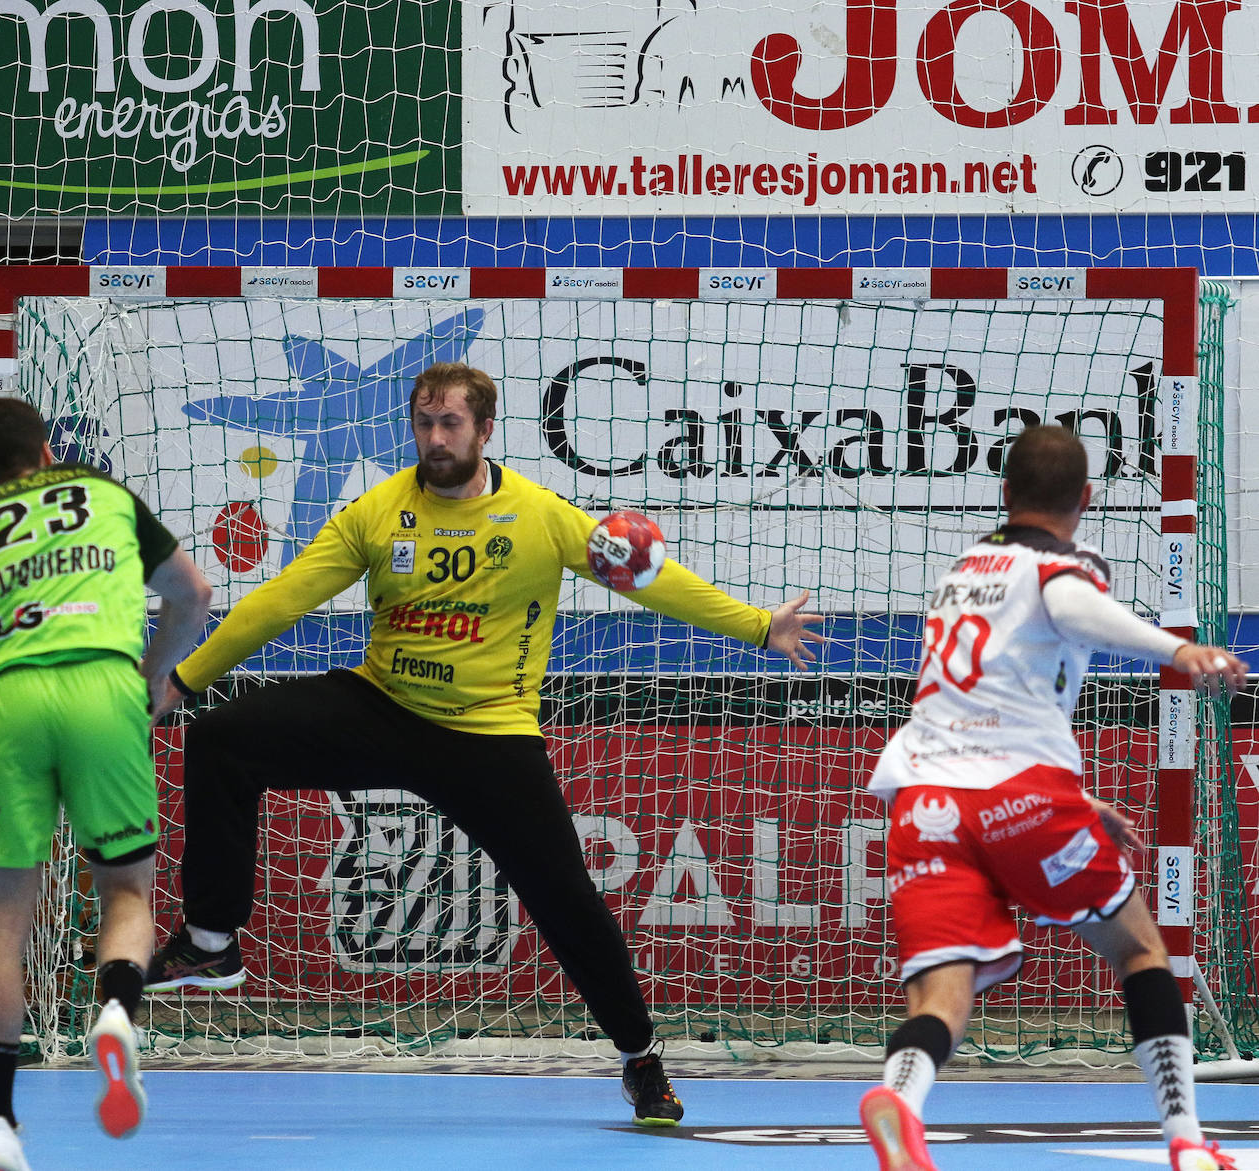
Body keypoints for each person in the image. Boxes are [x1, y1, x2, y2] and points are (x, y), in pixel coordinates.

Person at [144, 360, 825, 1125]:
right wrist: (184, 679)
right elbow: (280, 599)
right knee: (221, 739)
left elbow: (654, 581)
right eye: (424, 424)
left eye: (451, 424)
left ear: (485, 430)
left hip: (487, 733)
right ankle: (210, 938)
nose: (435, 439)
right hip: (382, 705)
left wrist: (760, 626)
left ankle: (642, 1058)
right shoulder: (377, 511)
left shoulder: (542, 516)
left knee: (566, 898)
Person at [858, 425, 1246, 1171]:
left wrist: (1080, 798)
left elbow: (984, 698)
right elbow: (1070, 604)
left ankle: (901, 1099)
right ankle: (1187, 1141)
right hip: (1017, 798)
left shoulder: (963, 568)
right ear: (1087, 499)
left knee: (943, 989)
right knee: (1140, 948)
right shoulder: (1060, 568)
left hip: (923, 798)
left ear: (1005, 493)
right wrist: (1179, 649)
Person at [0, 398, 213, 1171]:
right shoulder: (103, 495)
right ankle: (116, 1012)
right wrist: (151, 678)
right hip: (105, 691)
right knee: (125, 892)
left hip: (12, 704)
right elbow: (195, 595)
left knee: (5, 923)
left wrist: (15, 667)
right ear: (48, 452)